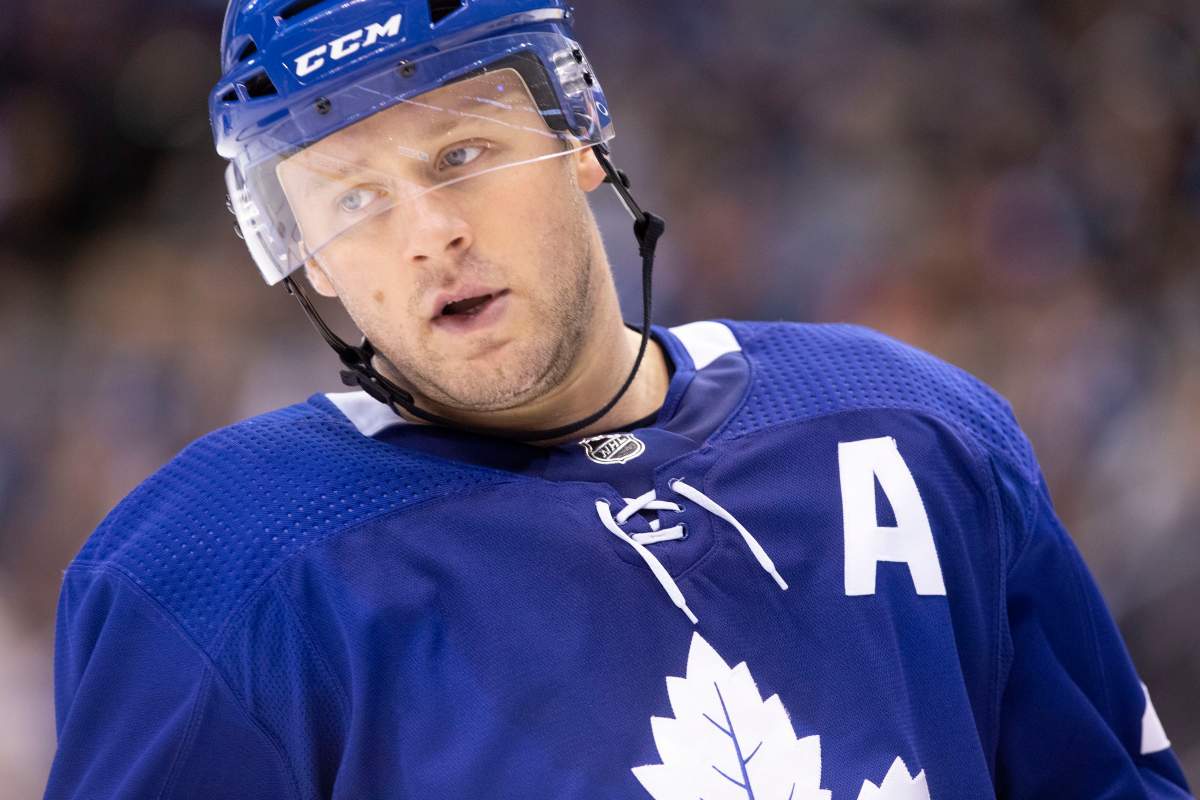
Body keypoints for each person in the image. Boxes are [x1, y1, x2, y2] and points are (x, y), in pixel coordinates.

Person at [43, 1, 1194, 798]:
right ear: (308, 259)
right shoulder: (222, 574)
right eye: (352, 200)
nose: (428, 233)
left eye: (460, 154)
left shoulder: (913, 431)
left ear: (580, 130)